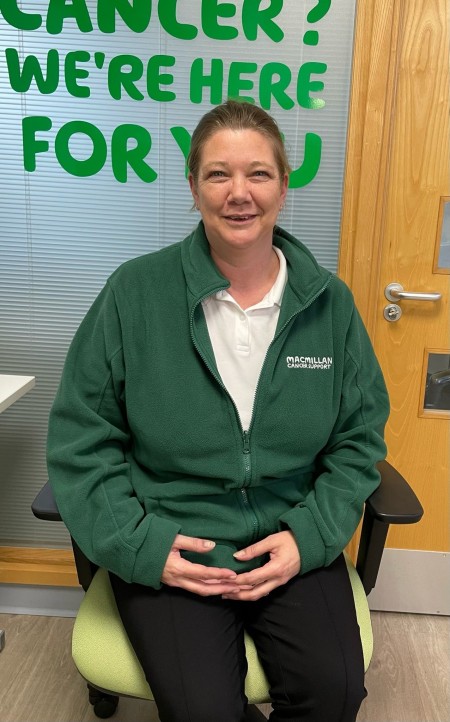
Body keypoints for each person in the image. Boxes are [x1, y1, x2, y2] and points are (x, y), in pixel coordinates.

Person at [47, 100, 389, 722]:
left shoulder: (329, 305)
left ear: (284, 185)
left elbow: (359, 439)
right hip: (175, 536)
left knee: (334, 691)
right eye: (218, 174)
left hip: (288, 533)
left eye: (258, 173)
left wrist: (307, 537)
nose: (240, 193)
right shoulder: (134, 293)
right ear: (193, 187)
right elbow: (81, 440)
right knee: (204, 710)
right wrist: (141, 545)